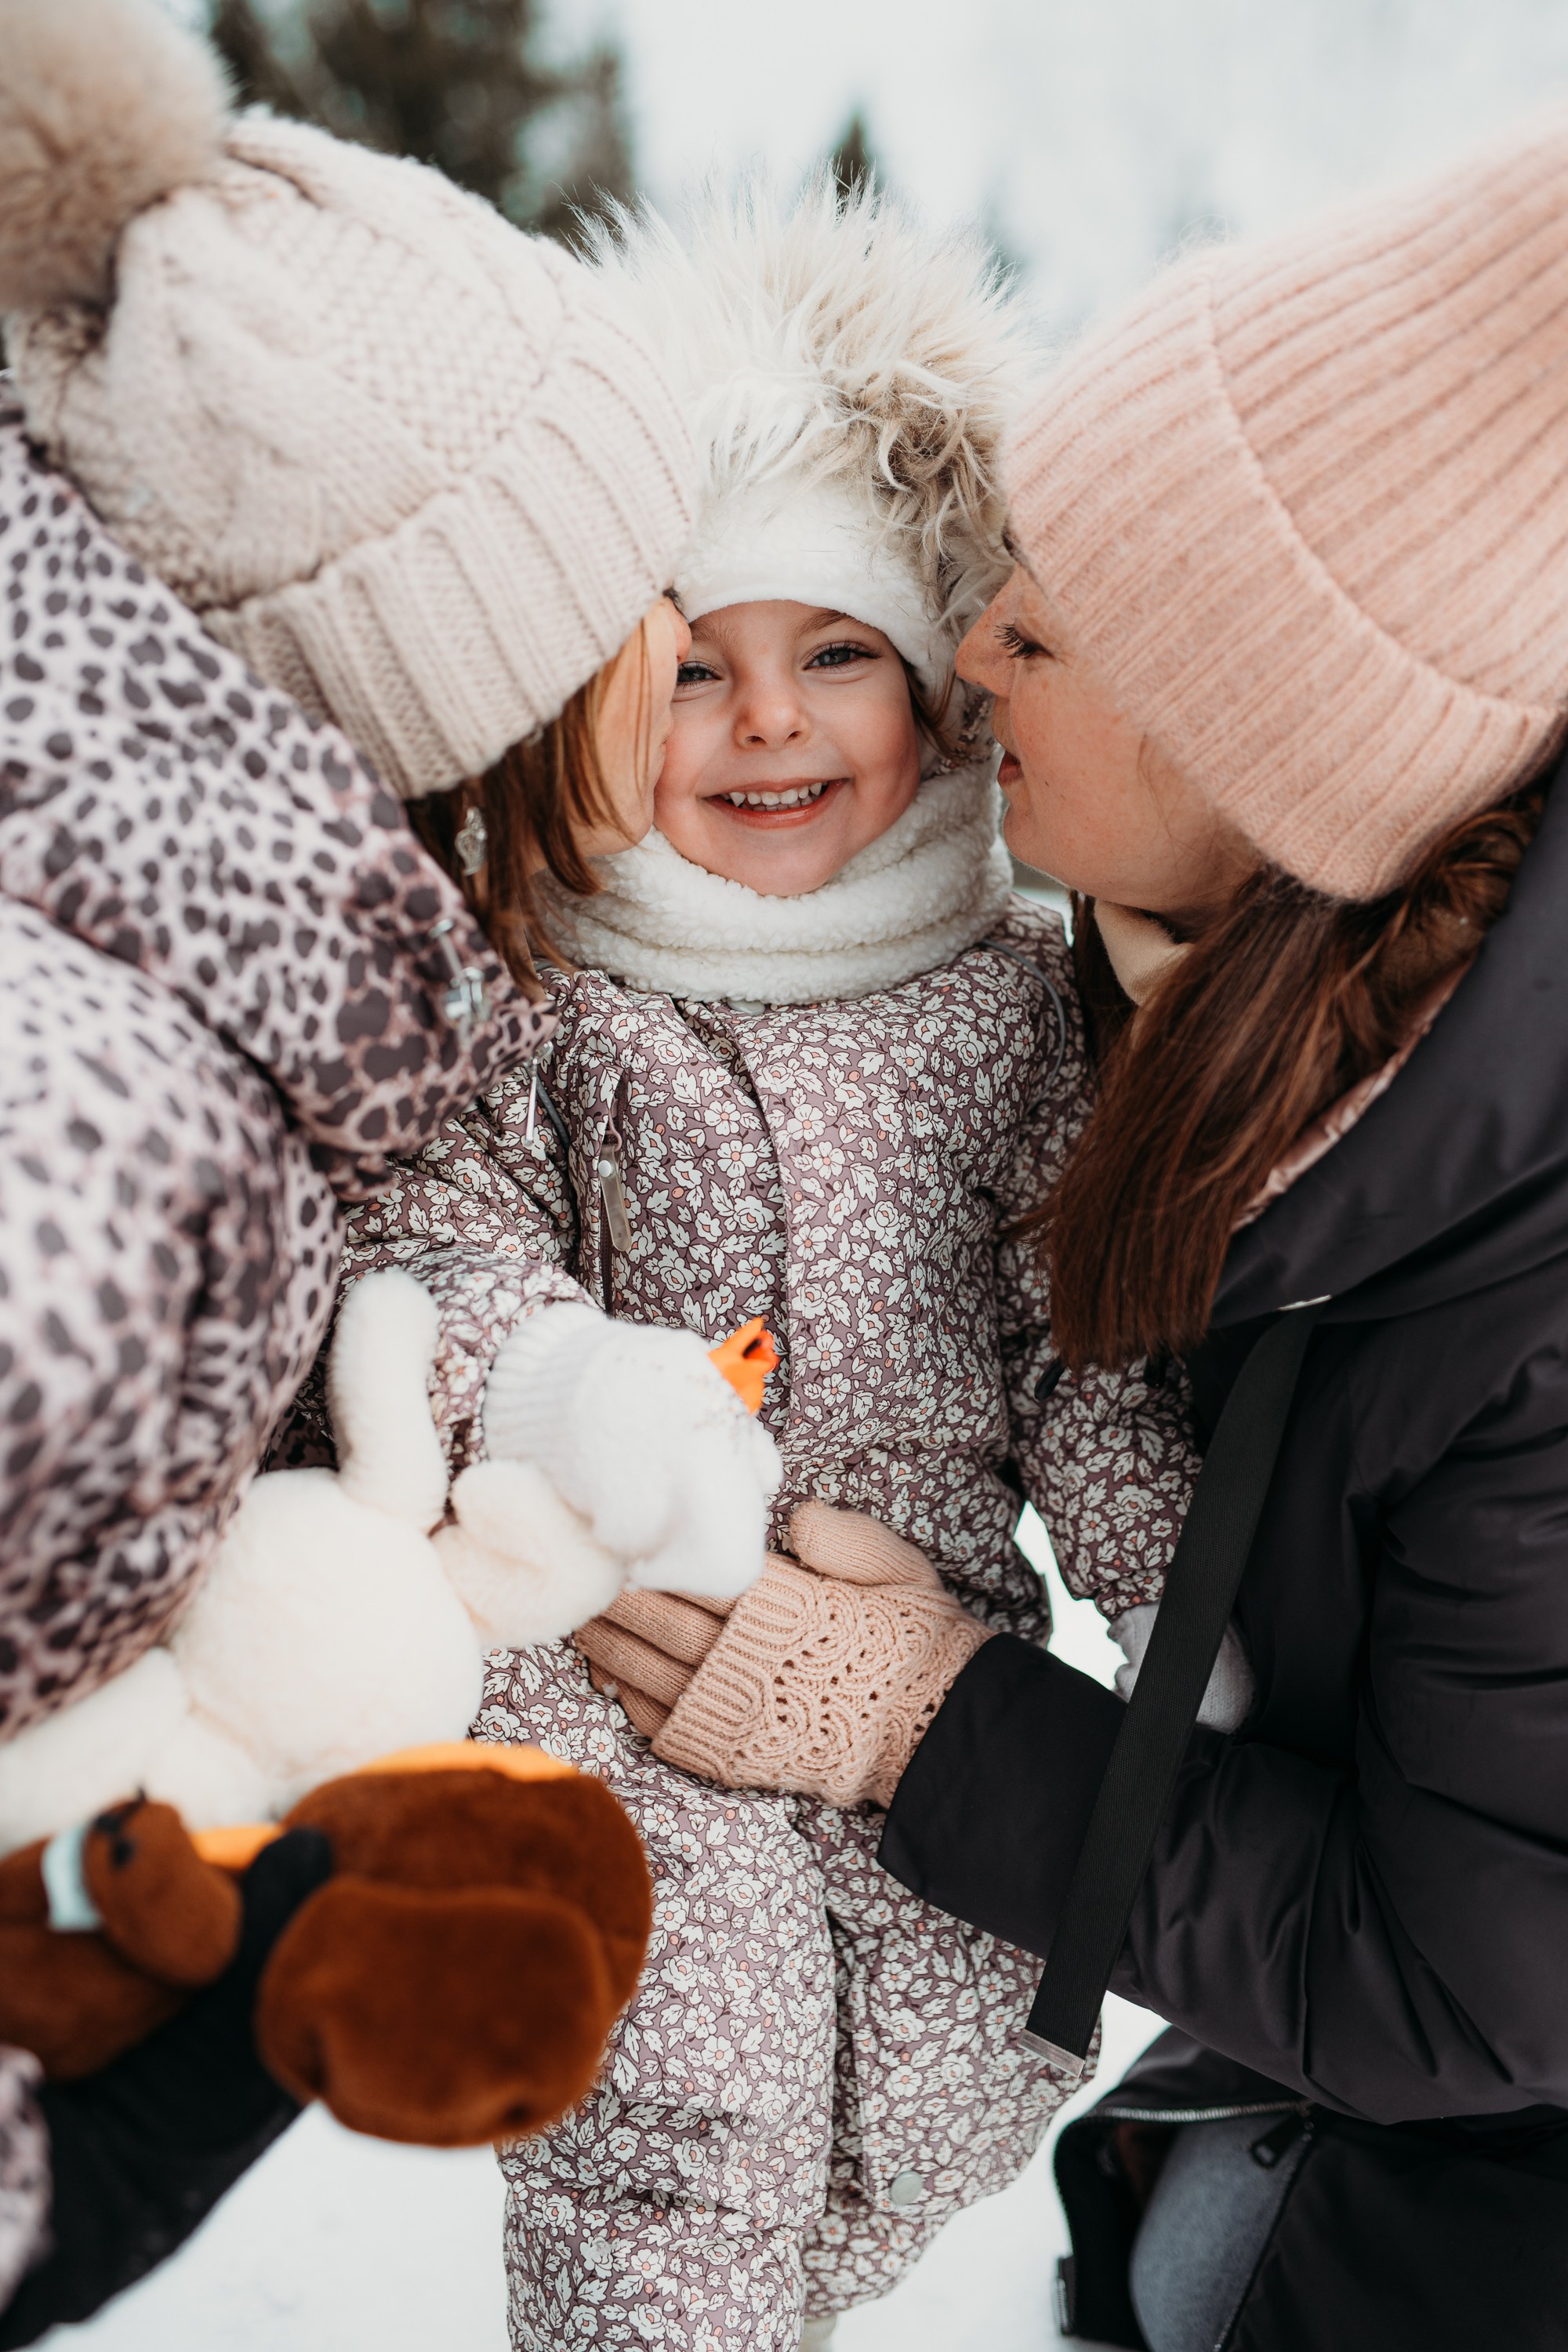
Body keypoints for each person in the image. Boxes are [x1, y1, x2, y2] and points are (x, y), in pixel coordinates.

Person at [601, 118, 1568, 2352]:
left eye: (1058, 615)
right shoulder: (1247, 1041)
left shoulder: (1519, 1289)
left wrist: (921, 1718)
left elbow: (1477, 1972)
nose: (972, 653)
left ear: (1275, 746)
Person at [339, 182, 1201, 2351]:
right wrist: (559, 1395)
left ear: (938, 679)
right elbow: (439, 1239)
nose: (768, 723)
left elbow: (1080, 1332)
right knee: (682, 2107)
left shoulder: (1014, 997)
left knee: (965, 2044)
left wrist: (1190, 1571)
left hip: (919, 1656)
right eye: (696, 669)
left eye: (835, 653)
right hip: (609, 1661)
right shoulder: (546, 987)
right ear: (604, 698)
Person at [0, 0, 695, 2328]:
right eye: (648, 590)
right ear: (455, 681)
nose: (695, 652)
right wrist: (78, 2182)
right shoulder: (102, 1148)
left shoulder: (201, 1018)